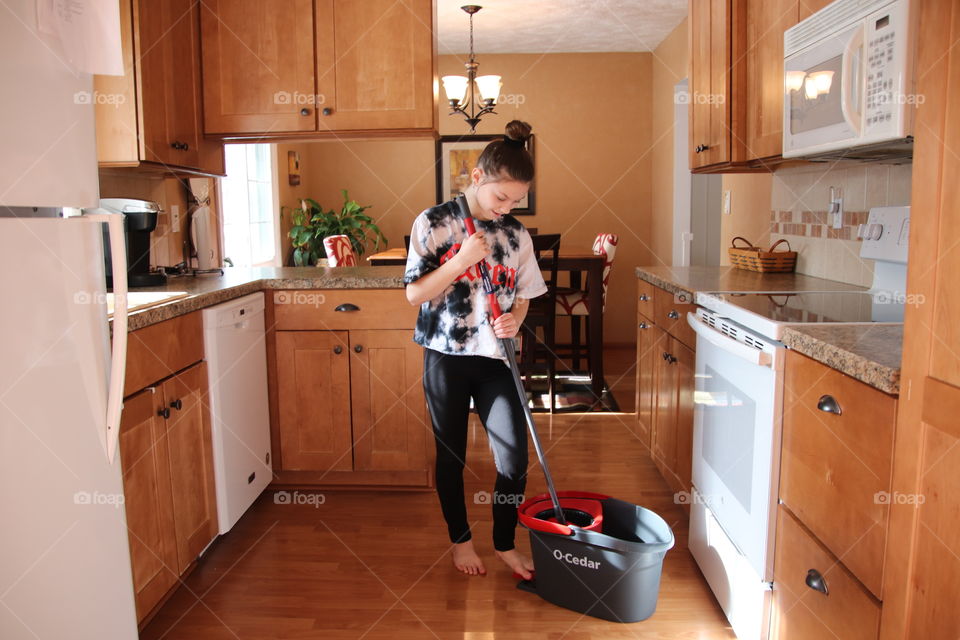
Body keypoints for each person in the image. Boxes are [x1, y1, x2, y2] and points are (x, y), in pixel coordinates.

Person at [403, 120, 544, 579]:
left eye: (516, 200)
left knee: (514, 460)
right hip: (445, 357)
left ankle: (504, 542)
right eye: (502, 197)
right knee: (452, 456)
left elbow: (524, 293)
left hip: (496, 357)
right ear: (478, 177)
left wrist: (517, 317)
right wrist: (461, 261)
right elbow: (414, 295)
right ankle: (461, 542)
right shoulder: (434, 222)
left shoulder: (516, 235)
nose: (508, 207)